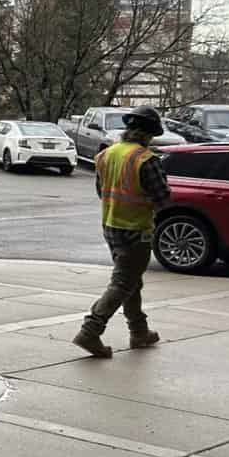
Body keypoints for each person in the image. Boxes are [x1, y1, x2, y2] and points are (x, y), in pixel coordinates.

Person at [73, 105, 170, 358]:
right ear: (148, 134)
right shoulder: (145, 159)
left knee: (131, 281)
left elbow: (101, 191)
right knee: (123, 283)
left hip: (111, 226)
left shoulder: (106, 154)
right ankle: (90, 331)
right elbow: (162, 198)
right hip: (136, 230)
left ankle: (139, 331)